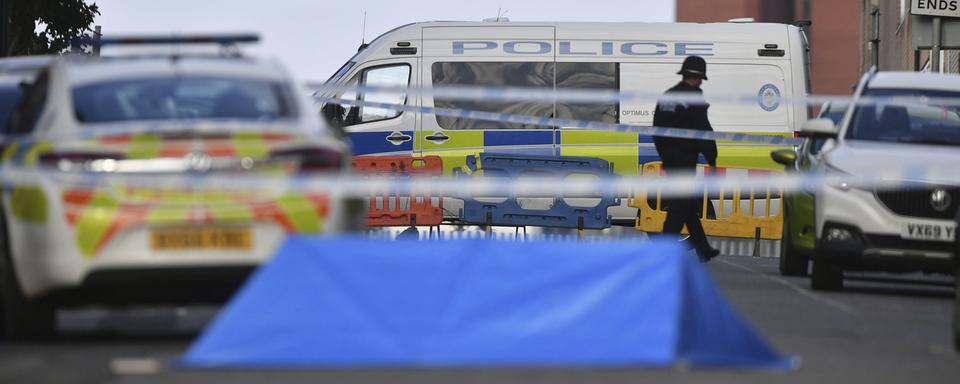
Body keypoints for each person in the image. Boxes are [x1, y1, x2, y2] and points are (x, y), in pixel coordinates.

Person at [652, 55, 721, 262]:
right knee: (680, 208)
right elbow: (703, 130)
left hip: (671, 159)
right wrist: (712, 157)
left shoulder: (668, 96)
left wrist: (666, 155)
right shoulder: (693, 97)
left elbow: (657, 130)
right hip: (684, 160)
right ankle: (663, 252)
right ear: (698, 77)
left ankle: (703, 249)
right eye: (700, 79)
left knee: (688, 205)